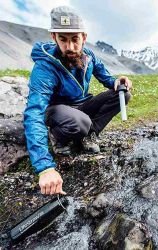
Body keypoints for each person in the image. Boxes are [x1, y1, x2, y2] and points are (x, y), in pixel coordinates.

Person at [23, 6, 132, 196]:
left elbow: (106, 78)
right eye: (63, 40)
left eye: (75, 39)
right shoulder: (45, 67)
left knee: (122, 95)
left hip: (81, 107)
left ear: (84, 37)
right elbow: (34, 112)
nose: (70, 47)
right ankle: (58, 137)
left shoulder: (89, 57)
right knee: (80, 121)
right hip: (57, 111)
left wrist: (117, 81)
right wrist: (44, 167)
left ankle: (87, 135)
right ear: (54, 38)